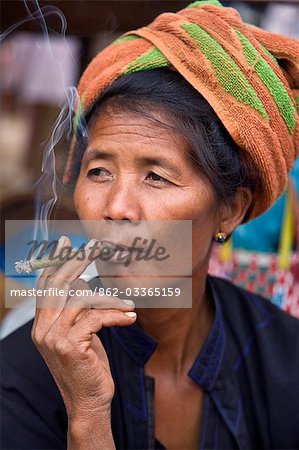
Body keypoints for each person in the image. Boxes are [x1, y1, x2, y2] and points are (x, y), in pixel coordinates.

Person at [1, 1, 299, 449]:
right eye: (99, 171)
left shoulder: (284, 359)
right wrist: (89, 414)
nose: (116, 208)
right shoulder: (22, 377)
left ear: (231, 210)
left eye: (156, 176)